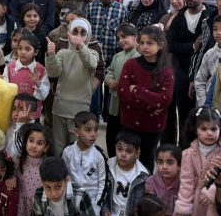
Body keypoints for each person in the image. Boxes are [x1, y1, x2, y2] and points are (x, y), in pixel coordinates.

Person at [117, 25, 174, 169]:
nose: (144, 47)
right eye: (142, 43)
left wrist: (138, 90)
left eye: (149, 43)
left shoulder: (166, 71)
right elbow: (122, 93)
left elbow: (165, 100)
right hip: (130, 123)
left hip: (153, 126)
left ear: (160, 45)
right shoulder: (130, 65)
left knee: (146, 161)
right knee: (126, 159)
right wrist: (153, 103)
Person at [166, 0, 212, 145]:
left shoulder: (211, 16)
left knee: (205, 116)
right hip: (183, 72)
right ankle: (185, 152)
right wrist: (192, 46)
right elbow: (171, 45)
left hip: (207, 74)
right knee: (185, 116)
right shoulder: (178, 18)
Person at [45, 18, 100, 155]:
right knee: (58, 148)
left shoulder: (92, 53)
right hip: (60, 108)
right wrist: (51, 55)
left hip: (80, 110)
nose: (78, 36)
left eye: (83, 33)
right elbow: (53, 72)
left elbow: (91, 63)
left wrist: (81, 47)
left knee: (77, 148)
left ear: (88, 36)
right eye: (75, 32)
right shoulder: (63, 52)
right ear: (69, 33)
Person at [175, 107, 221, 216]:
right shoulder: (187, 154)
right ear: (195, 130)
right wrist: (183, 206)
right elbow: (186, 182)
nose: (209, 133)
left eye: (214, 129)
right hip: (195, 200)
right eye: (204, 129)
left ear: (220, 129)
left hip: (217, 200)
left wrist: (212, 191)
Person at [61, 111, 108, 216]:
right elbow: (63, 177)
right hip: (71, 200)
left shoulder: (99, 156)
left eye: (96, 129)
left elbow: (103, 184)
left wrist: (96, 208)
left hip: (92, 203)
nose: (93, 134)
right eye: (88, 130)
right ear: (77, 132)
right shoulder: (67, 152)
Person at [105, 23, 140, 157]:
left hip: (129, 105)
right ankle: (112, 162)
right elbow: (109, 71)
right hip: (114, 105)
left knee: (126, 138)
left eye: (124, 37)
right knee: (111, 136)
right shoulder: (117, 56)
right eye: (118, 38)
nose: (121, 40)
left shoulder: (139, 56)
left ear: (135, 36)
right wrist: (109, 80)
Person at [100, 130, 150, 216]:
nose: (123, 154)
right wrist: (105, 210)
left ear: (137, 153)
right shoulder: (108, 166)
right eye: (119, 149)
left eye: (129, 151)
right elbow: (102, 193)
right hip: (112, 214)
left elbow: (144, 204)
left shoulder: (143, 176)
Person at [1, 33, 49, 120]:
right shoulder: (9, 68)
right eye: (20, 48)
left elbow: (43, 96)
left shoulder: (41, 70)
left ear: (35, 52)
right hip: (13, 115)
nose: (23, 52)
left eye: (27, 49)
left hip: (33, 117)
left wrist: (38, 83)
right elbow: (5, 92)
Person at [32, 156, 96, 216]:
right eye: (47, 187)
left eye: (58, 187)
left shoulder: (80, 195)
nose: (53, 194)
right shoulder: (38, 197)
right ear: (42, 183)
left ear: (67, 181)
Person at [194, 14, 221, 107]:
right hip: (212, 102)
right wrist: (204, 103)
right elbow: (200, 80)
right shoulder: (210, 54)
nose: (218, 33)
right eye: (215, 29)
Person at [15, 123, 55, 216]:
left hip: (38, 208)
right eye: (31, 140)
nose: (34, 146)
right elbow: (12, 176)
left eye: (39, 143)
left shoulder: (48, 166)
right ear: (26, 142)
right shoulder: (18, 161)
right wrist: (11, 178)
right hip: (21, 206)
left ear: (46, 147)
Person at [145, 144, 182, 216]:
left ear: (179, 166)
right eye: (160, 162)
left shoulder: (185, 182)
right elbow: (150, 208)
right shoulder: (151, 183)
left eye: (169, 163)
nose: (164, 167)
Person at [5, 93, 38, 159]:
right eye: (14, 109)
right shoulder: (10, 124)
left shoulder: (33, 133)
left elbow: (15, 153)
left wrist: (20, 124)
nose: (16, 113)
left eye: (22, 110)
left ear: (32, 115)